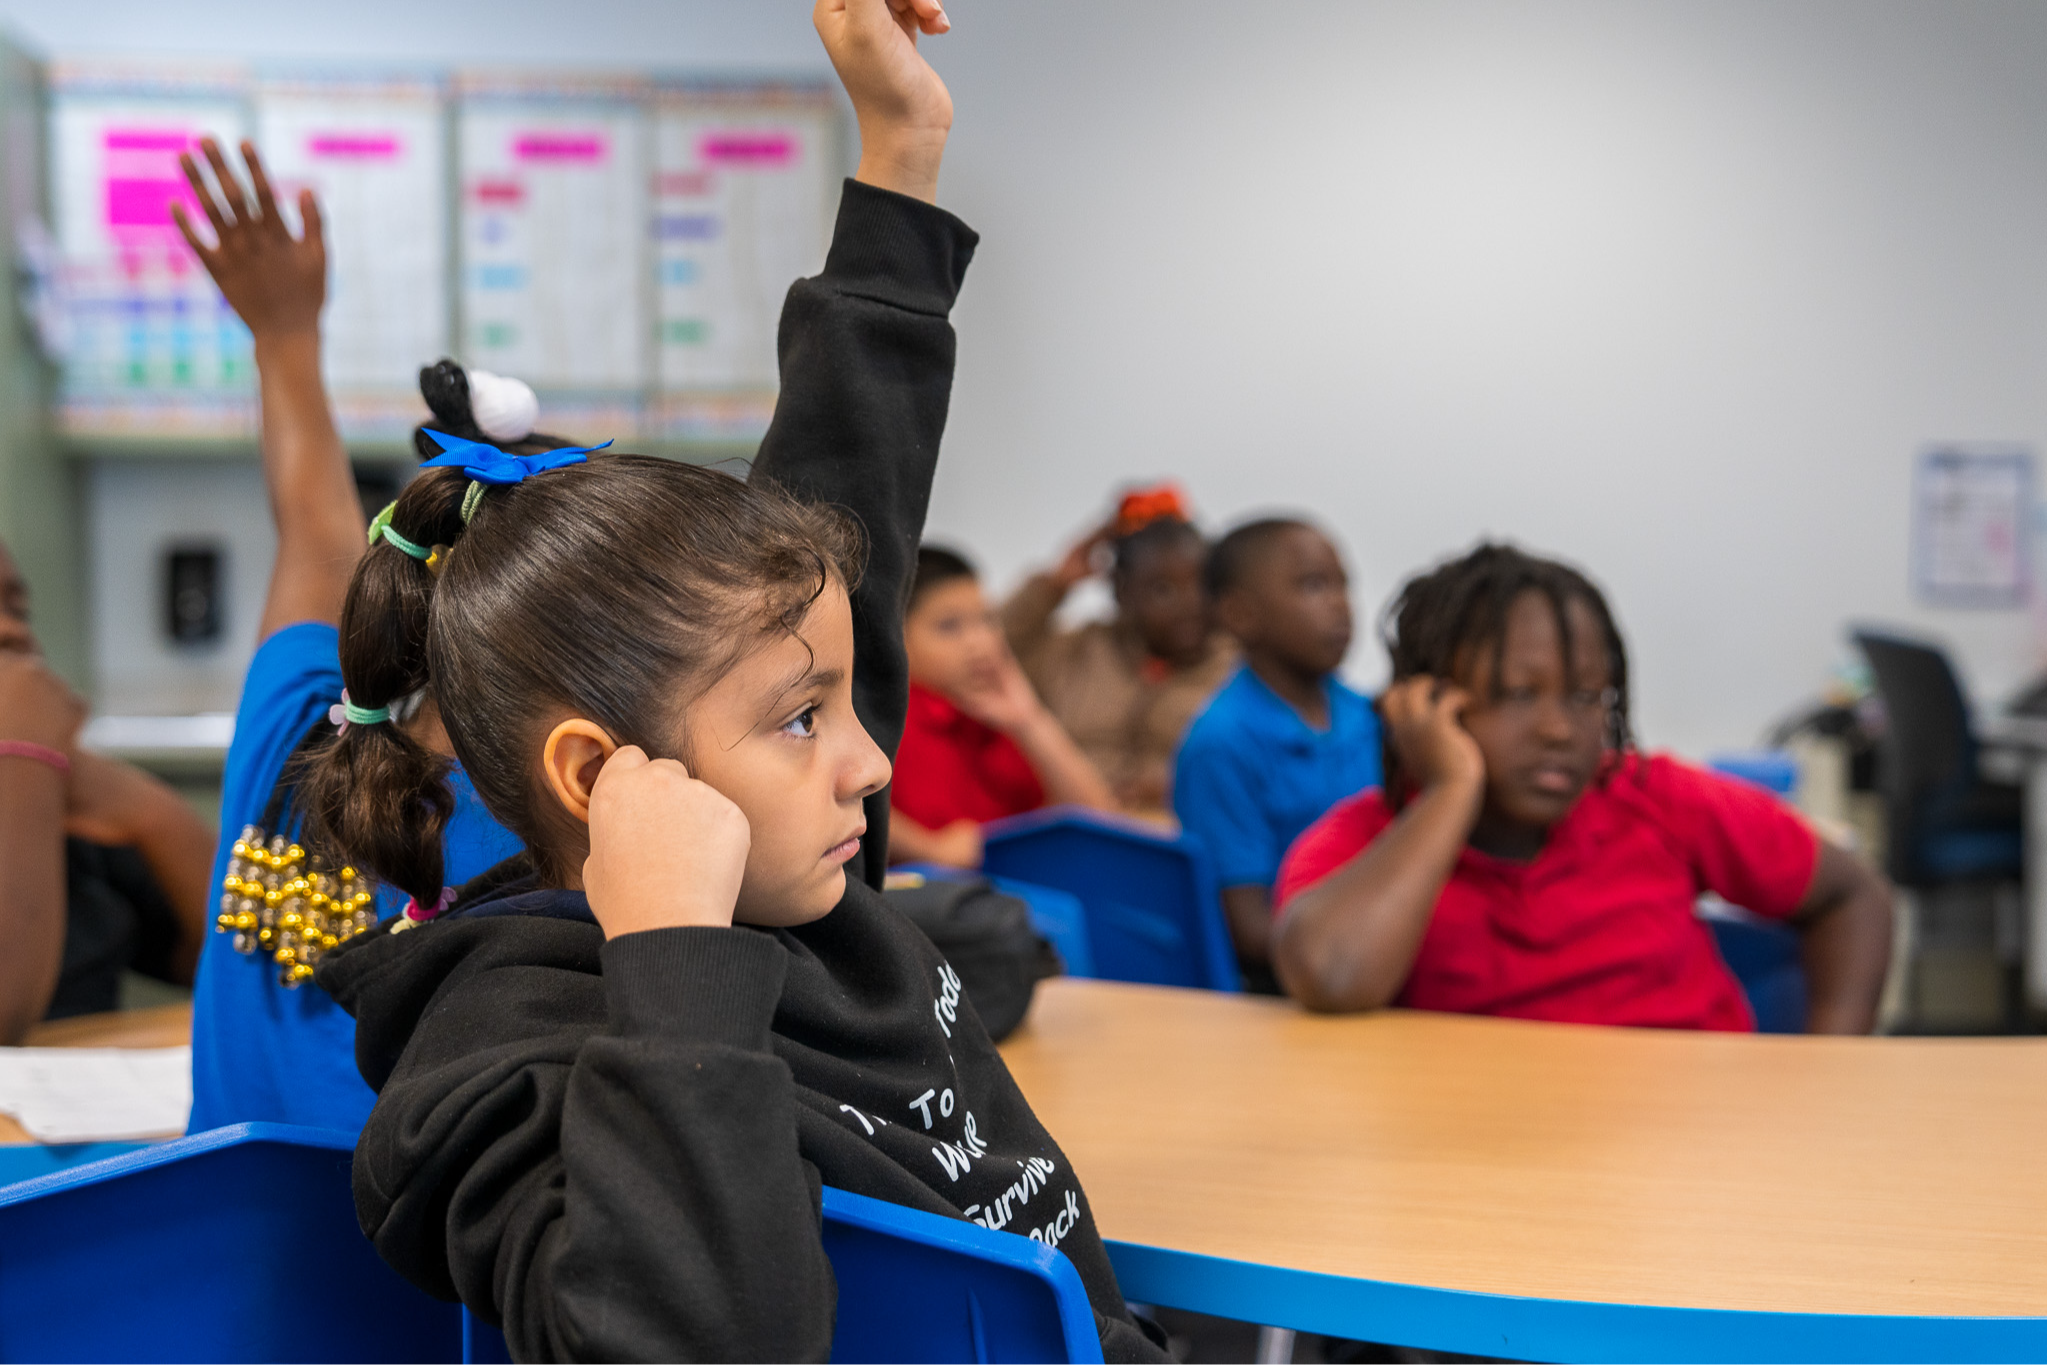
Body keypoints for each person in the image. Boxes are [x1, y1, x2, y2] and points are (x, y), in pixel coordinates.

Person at [307, 4, 1173, 1362]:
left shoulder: (794, 865)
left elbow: (851, 490)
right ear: (604, 778)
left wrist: (902, 145)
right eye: (799, 718)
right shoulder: (492, 1059)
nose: (869, 761)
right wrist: (673, 961)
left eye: (833, 700)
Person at [171, 137, 524, 1133]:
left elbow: (313, 521)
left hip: (220, 1259)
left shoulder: (293, 727)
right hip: (411, 1285)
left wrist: (283, 335)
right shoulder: (569, 832)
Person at [1271, 542, 1893, 1032]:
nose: (1559, 729)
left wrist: (1826, 1073)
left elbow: (1854, 895)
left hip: (1684, 1147)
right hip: (1475, 1159)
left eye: (1586, 696)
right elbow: (1333, 977)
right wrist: (1449, 789)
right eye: (1519, 694)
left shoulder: (1656, 799)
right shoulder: (1368, 844)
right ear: (1425, 703)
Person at [0, 543, 215, 1041]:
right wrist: (25, 757)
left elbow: (241, 956)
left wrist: (151, 813)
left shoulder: (71, 813)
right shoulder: (34, 772)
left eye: (18, 611)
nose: (12, 632)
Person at [1172, 518, 1379, 993]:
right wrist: (1356, 956)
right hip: (1294, 988)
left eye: (1343, 584)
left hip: (1381, 957)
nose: (1340, 605)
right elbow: (1249, 929)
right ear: (1240, 614)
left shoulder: (1370, 716)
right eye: (1313, 585)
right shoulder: (1220, 744)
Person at [1003, 485, 1236, 815]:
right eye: (1162, 589)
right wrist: (1055, 584)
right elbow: (993, 650)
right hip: (1070, 830)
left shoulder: (1242, 668)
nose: (1190, 605)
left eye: (1201, 584)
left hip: (1179, 841)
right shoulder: (1080, 650)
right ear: (1121, 592)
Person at [891, 545, 1118, 868]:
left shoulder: (993, 716)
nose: (980, 643)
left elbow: (1101, 823)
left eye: (987, 620)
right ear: (893, 636)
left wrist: (1030, 719)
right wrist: (929, 849)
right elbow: (839, 807)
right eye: (949, 626)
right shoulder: (882, 718)